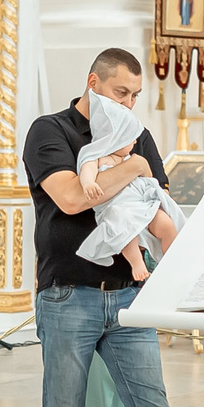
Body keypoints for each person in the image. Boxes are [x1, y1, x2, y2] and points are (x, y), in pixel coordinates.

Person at [24, 48, 194, 407]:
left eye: (136, 96)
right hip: (67, 296)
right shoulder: (49, 131)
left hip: (127, 298)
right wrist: (135, 167)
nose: (130, 104)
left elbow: (156, 204)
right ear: (93, 83)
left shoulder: (136, 134)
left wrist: (137, 169)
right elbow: (74, 199)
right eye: (121, 93)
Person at [75, 89, 182, 284]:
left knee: (167, 225)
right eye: (130, 137)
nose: (135, 141)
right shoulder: (96, 157)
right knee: (124, 226)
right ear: (114, 138)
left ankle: (170, 263)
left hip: (141, 205)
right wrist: (89, 183)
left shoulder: (129, 157)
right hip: (117, 207)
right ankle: (136, 262)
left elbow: (151, 178)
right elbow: (86, 170)